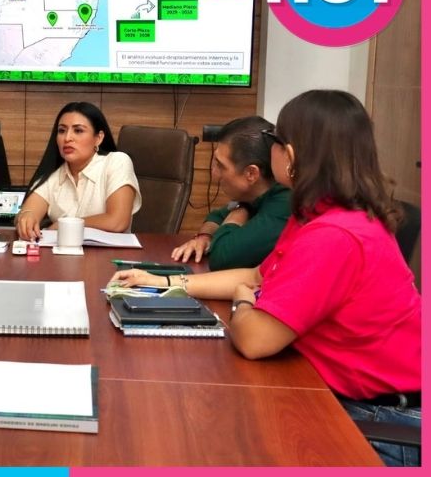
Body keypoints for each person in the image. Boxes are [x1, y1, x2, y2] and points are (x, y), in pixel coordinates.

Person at [110, 90, 420, 467]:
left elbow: (255, 338)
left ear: (289, 155)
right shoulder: (316, 215)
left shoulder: (335, 235)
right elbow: (257, 275)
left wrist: (243, 304)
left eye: (274, 139)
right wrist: (166, 284)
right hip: (343, 396)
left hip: (380, 423)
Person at [171, 116, 291, 269]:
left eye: (221, 166)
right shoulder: (257, 194)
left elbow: (221, 258)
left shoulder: (285, 204)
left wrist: (239, 210)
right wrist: (204, 237)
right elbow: (216, 217)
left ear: (251, 174)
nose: (214, 174)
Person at [15, 101, 141, 241]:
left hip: (111, 253)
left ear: (98, 138)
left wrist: (63, 225)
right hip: (63, 253)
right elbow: (29, 211)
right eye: (62, 131)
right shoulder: (53, 176)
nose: (67, 138)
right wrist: (26, 217)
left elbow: (117, 221)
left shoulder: (117, 162)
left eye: (78, 130)